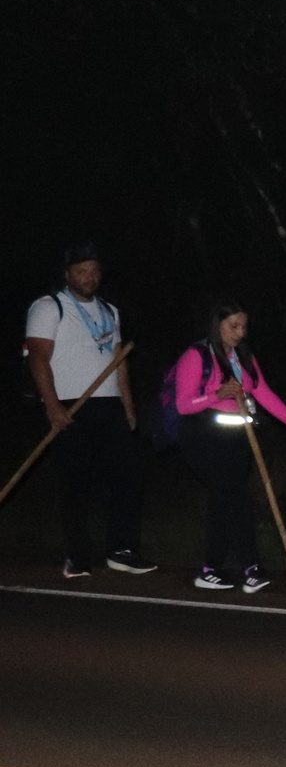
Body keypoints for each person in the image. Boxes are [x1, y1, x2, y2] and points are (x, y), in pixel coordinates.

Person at [22, 241, 151, 579]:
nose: (89, 276)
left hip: (109, 406)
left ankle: (122, 549)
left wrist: (129, 406)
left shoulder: (110, 310)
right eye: (81, 271)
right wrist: (51, 407)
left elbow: (118, 362)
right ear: (67, 274)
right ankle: (77, 556)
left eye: (94, 270)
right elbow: (37, 359)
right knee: (75, 482)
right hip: (70, 405)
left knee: (126, 477)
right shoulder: (49, 307)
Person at [173, 298, 286, 592]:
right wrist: (217, 394)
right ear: (217, 325)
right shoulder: (196, 355)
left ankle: (211, 568)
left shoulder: (243, 357)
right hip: (203, 438)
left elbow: (262, 392)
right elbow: (183, 404)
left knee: (225, 501)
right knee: (235, 499)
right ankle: (252, 567)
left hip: (238, 439)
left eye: (243, 327)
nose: (239, 333)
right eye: (233, 326)